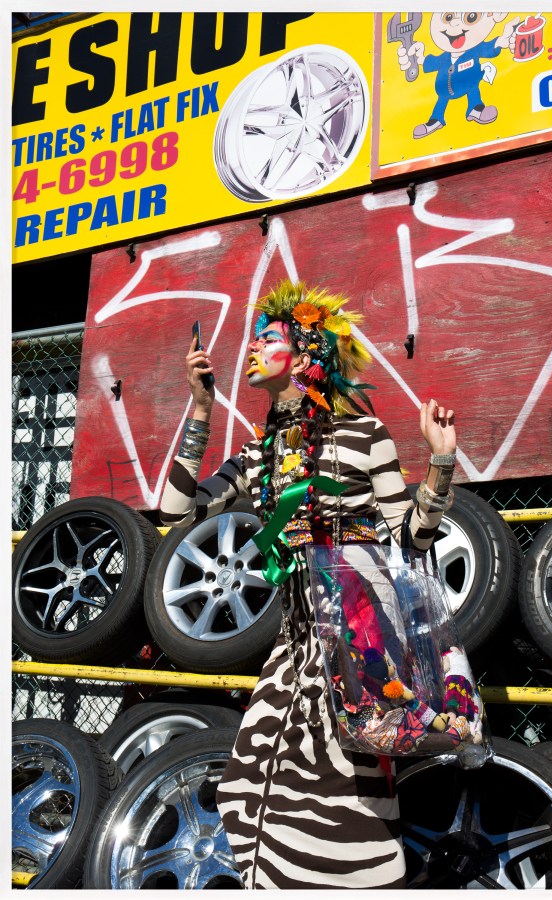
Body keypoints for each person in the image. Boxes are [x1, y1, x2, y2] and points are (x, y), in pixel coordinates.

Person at [160, 280, 457, 889]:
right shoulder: (260, 452)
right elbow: (175, 515)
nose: (251, 348)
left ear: (307, 356)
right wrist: (199, 409)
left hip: (360, 646)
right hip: (295, 647)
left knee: (348, 799)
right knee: (247, 786)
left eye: (268, 338)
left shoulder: (365, 437)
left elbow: (412, 539)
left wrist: (441, 464)